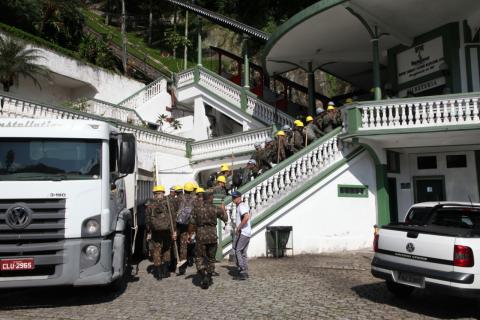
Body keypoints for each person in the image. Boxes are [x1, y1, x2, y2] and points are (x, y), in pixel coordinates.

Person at [188, 191, 228, 289]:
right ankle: (209, 275)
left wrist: (190, 234)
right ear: (211, 198)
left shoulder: (196, 209)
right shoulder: (215, 208)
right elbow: (225, 219)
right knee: (211, 258)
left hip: (200, 236)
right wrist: (223, 210)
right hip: (212, 236)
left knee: (199, 257)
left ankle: (203, 274)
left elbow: (191, 223)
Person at [145, 185, 177, 280]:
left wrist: (148, 231)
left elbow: (147, 220)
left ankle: (158, 273)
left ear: (154, 194)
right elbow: (173, 219)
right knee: (167, 249)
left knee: (156, 250)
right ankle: (166, 271)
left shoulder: (150, 205)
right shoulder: (168, 203)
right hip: (167, 230)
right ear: (163, 193)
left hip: (155, 231)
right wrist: (174, 231)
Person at [175, 182, 196, 275]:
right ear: (192, 191)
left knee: (178, 244)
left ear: (184, 189)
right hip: (189, 224)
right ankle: (186, 263)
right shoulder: (195, 199)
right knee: (187, 244)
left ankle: (178, 265)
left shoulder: (178, 198)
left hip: (178, 224)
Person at [232, 191, 251, 280]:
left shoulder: (241, 206)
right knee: (243, 252)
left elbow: (247, 217)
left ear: (239, 197)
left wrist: (239, 227)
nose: (233, 199)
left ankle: (242, 270)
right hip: (247, 232)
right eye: (233, 197)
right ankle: (245, 270)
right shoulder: (244, 205)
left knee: (238, 250)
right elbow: (250, 214)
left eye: (235, 197)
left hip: (243, 232)